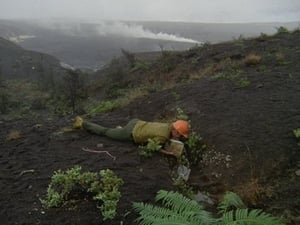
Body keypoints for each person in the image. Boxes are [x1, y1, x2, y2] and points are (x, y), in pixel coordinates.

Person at [73, 116, 189, 156]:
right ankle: (82, 123)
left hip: (136, 122)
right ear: (176, 131)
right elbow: (151, 147)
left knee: (117, 132)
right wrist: (167, 153)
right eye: (180, 135)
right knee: (105, 132)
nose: (178, 138)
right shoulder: (164, 136)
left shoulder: (167, 126)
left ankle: (120, 131)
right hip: (130, 133)